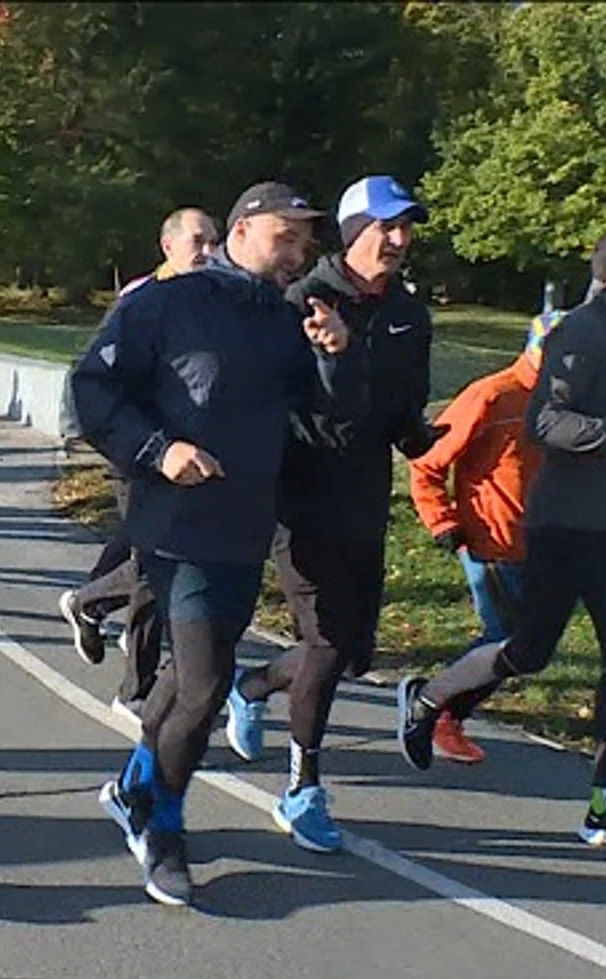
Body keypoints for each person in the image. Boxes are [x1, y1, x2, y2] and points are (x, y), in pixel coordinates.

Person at [73, 180, 355, 905]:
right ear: (241, 229)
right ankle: (162, 824)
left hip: (245, 525)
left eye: (304, 242)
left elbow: (317, 420)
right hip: (173, 525)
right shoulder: (167, 301)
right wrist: (159, 450)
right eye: (284, 237)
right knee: (200, 690)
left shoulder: (285, 320)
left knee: (190, 681)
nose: (297, 253)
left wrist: (330, 357)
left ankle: (134, 787)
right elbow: (94, 392)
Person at [393, 228, 606, 855]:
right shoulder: (579, 332)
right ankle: (429, 699)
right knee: (527, 651)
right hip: (563, 527)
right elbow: (547, 422)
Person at [221, 175, 435, 853]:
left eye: (405, 229)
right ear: (352, 231)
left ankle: (252, 684)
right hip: (301, 493)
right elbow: (274, 397)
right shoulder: (301, 299)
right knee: (327, 641)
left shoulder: (409, 313)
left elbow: (403, 414)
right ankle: (303, 787)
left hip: (366, 495)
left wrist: (432, 441)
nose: (397, 241)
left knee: (349, 651)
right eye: (385, 227)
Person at [58, 207, 219, 718]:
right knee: (156, 565)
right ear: (168, 246)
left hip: (189, 454)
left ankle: (95, 606)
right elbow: (97, 375)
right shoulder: (141, 299)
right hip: (143, 453)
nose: (208, 251)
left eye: (213, 240)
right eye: (197, 240)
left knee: (157, 563)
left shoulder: (214, 298)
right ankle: (133, 687)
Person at [404, 308, 567, 764]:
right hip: (490, 540)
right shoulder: (493, 397)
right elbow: (426, 463)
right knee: (506, 639)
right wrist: (442, 521)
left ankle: (442, 711)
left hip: (542, 543)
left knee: (527, 646)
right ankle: (432, 706)